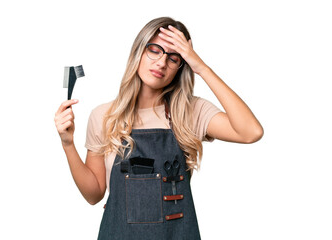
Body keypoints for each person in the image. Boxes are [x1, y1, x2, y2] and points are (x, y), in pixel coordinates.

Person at [54, 16, 263, 239]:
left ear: (181, 67)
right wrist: (68, 144)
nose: (162, 63)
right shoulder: (104, 116)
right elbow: (93, 194)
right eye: (154, 50)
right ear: (139, 52)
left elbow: (251, 132)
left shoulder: (189, 112)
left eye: (174, 58)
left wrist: (201, 67)